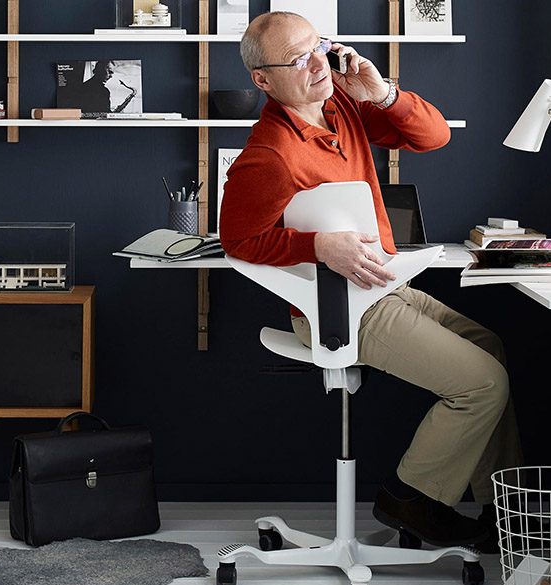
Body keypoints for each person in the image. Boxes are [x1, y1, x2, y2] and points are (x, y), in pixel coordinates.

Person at [220, 11, 522, 549]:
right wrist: (317, 245)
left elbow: (434, 136)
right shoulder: (269, 154)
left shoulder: (342, 105)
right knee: (483, 384)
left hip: (382, 288)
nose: (318, 64)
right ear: (262, 80)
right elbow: (238, 240)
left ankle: (501, 511)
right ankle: (409, 499)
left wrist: (382, 93)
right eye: (297, 59)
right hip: (336, 307)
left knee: (489, 348)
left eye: (319, 47)